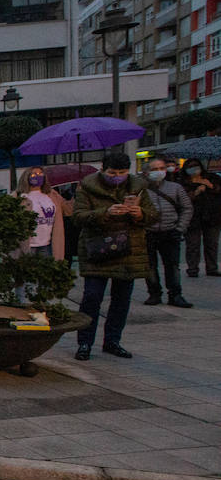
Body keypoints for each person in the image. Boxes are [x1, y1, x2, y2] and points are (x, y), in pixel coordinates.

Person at [72, 151, 157, 361]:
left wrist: (140, 214)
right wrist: (106, 213)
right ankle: (84, 342)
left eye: (122, 172)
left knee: (121, 300)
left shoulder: (138, 187)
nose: (117, 176)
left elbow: (153, 215)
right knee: (92, 297)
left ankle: (112, 340)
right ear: (103, 169)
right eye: (112, 172)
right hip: (98, 249)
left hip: (128, 251)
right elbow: (78, 216)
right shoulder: (87, 187)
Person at [142, 156, 193, 307]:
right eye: (154, 169)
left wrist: (180, 228)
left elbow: (187, 208)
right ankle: (154, 293)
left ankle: (175, 295)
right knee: (149, 266)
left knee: (173, 266)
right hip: (148, 232)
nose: (158, 172)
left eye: (161, 168)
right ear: (146, 172)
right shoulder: (141, 189)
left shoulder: (175, 187)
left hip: (170, 231)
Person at [180, 158, 220, 277]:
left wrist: (210, 185)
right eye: (190, 167)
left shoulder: (211, 177)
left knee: (212, 244)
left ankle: (212, 268)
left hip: (212, 217)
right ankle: (192, 268)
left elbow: (218, 190)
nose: (194, 169)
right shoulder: (183, 182)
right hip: (193, 218)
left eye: (196, 166)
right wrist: (196, 192)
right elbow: (183, 199)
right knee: (193, 245)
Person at [15, 166, 67, 260]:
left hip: (47, 245)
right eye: (34, 174)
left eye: (40, 174)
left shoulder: (52, 195)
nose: (37, 176)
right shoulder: (19, 197)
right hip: (29, 245)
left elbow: (68, 210)